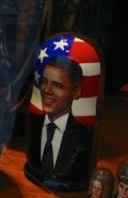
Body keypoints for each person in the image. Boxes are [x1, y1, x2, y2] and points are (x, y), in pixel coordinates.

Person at [26, 55, 93, 184]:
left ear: (77, 92)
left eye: (57, 86)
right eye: (44, 81)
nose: (47, 90)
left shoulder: (85, 136)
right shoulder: (32, 124)